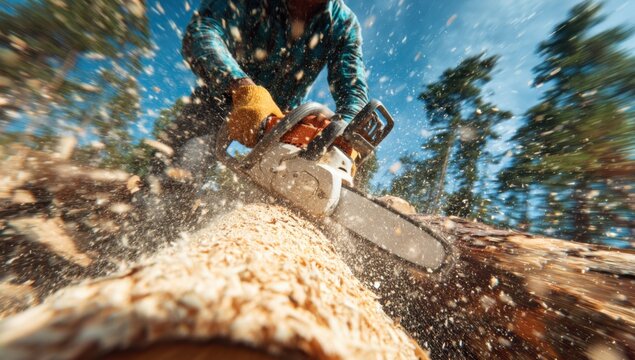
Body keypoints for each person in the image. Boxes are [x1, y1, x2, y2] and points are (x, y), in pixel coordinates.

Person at [158, 0, 368, 176]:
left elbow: (351, 88)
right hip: (218, 98)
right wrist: (241, 87)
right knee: (182, 167)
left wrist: (347, 134)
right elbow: (202, 31)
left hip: (281, 121)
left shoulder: (344, 24)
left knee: (283, 187)